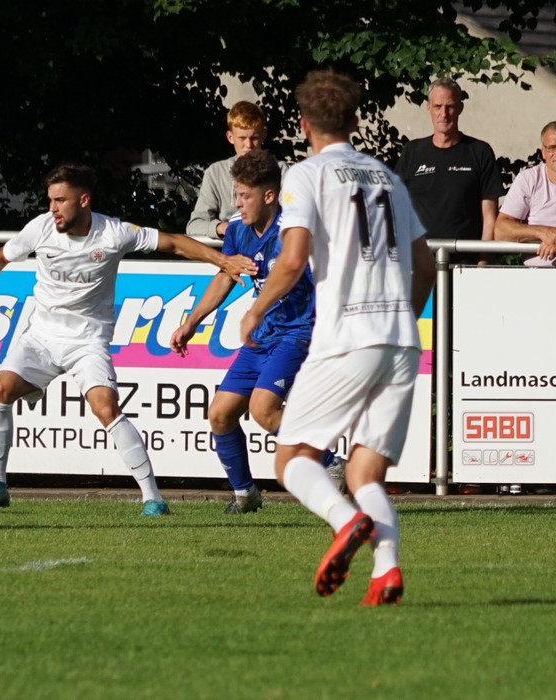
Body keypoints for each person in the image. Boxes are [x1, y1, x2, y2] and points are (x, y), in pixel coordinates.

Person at [0, 162, 252, 516]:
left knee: (107, 409)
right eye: (50, 200)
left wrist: (223, 260)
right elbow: (2, 255)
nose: (53, 208)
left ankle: (153, 498)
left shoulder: (113, 233)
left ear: (84, 200)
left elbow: (173, 243)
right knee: (0, 390)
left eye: (61, 200)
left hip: (88, 341)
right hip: (41, 336)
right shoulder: (40, 228)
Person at [239, 70, 435, 606]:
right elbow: (425, 264)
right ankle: (386, 572)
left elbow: (292, 259)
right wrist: (403, 317)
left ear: (304, 124)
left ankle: (344, 521)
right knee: (366, 470)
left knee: (291, 458)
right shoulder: (388, 178)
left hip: (347, 333)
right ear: (354, 120)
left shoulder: (307, 175)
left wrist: (255, 309)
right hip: (400, 339)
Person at [170, 149, 344, 514]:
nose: (237, 203)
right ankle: (245, 494)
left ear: (269, 196)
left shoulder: (295, 231)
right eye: (236, 194)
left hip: (300, 330)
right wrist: (192, 321)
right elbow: (227, 275)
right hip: (262, 335)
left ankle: (330, 463)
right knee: (220, 414)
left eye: (244, 196)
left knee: (263, 409)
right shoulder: (238, 228)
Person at [395, 77, 504, 264]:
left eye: (450, 106)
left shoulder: (479, 152)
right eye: (438, 106)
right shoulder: (412, 152)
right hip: (419, 264)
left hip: (465, 264)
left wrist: (483, 264)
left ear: (460, 108)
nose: (443, 114)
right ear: (428, 108)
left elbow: (489, 218)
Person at [186, 101, 289, 239]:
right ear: (230, 137)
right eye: (242, 138)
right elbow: (195, 225)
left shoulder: (281, 170)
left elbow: (291, 214)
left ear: (263, 135)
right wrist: (221, 228)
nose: (248, 145)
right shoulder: (215, 173)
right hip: (228, 247)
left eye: (254, 138)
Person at [494, 121, 556, 263]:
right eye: (551, 148)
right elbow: (501, 230)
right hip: (535, 274)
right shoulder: (529, 179)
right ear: (543, 153)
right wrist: (544, 233)